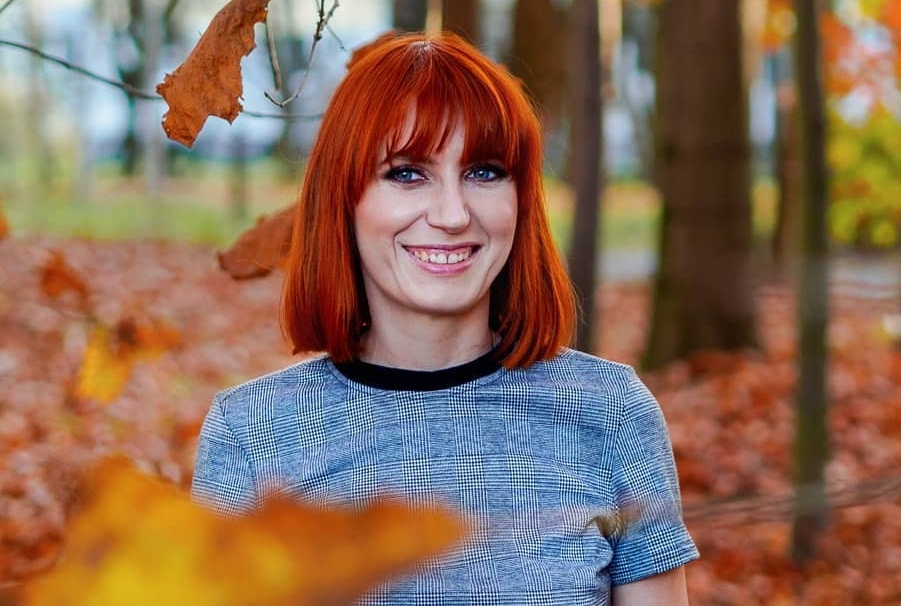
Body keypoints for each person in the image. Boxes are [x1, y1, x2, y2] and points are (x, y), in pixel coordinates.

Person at [192, 31, 699, 605]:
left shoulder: (608, 412)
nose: (453, 214)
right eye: (407, 173)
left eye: (484, 172)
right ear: (345, 199)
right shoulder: (252, 434)